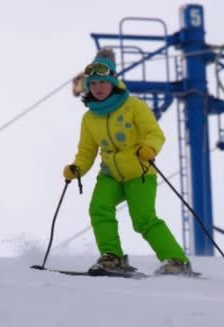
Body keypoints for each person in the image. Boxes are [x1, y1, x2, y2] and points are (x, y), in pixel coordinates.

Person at [63, 49, 192, 276]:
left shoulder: (134, 106)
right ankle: (112, 258)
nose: (98, 87)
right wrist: (77, 168)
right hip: (110, 174)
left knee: (143, 219)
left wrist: (149, 148)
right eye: (93, 84)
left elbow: (154, 133)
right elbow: (86, 152)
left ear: (114, 81)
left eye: (103, 82)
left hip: (139, 172)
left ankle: (177, 261)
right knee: (99, 208)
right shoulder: (90, 118)